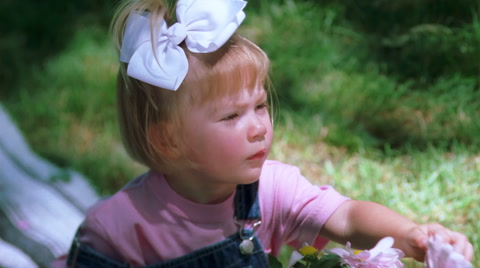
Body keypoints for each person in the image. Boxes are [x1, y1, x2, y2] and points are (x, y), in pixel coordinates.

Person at [54, 0, 474, 267]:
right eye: (232, 115)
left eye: (259, 105)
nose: (258, 126)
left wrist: (412, 236)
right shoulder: (119, 229)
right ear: (169, 139)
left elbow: (346, 216)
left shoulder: (269, 188)